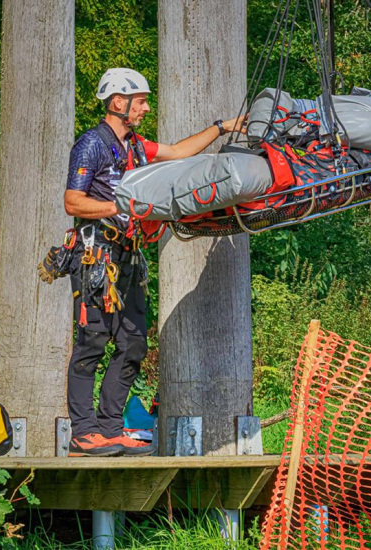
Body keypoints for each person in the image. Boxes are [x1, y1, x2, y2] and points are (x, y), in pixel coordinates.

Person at [61, 68, 246, 457]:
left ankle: (110, 427)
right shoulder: (91, 144)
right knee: (92, 342)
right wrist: (122, 206)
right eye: (141, 100)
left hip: (128, 257)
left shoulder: (135, 146)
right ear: (118, 102)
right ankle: (83, 431)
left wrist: (222, 127)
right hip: (97, 256)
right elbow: (72, 202)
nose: (146, 107)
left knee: (132, 343)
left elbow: (178, 152)